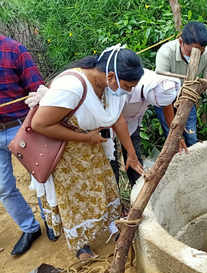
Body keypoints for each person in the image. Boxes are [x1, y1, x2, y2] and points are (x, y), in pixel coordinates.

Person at [30, 44, 144, 259]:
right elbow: (40, 125)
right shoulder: (71, 87)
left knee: (103, 187)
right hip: (66, 154)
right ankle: (81, 245)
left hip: (93, 148)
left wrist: (131, 152)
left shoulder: (110, 87)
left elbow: (117, 118)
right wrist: (85, 138)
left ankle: (112, 226)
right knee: (76, 198)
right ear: (111, 76)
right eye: (128, 86)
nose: (128, 91)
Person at [0, 35, 58, 257]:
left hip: (20, 126)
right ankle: (29, 228)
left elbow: (38, 89)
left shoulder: (14, 50)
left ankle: (52, 222)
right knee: (3, 188)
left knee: (41, 177)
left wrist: (37, 99)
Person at [155, 22, 207, 146]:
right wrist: (175, 134)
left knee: (191, 137)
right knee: (172, 140)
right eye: (191, 52)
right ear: (181, 42)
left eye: (199, 52)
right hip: (164, 100)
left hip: (188, 97)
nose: (195, 56)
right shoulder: (165, 53)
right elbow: (163, 94)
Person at [110, 68, 182, 187]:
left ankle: (137, 190)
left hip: (132, 122)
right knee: (111, 161)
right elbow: (118, 120)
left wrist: (175, 135)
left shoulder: (161, 85)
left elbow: (166, 105)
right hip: (111, 122)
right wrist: (130, 151)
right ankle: (114, 196)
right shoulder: (127, 87)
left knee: (135, 162)